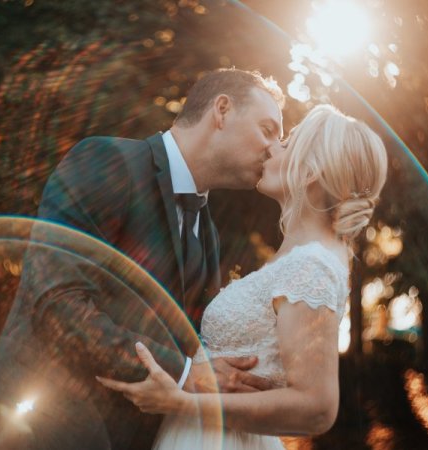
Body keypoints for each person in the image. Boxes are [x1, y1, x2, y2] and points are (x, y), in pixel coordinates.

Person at [0, 68, 285, 449]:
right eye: (268, 129)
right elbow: (56, 304)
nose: (274, 148)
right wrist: (186, 375)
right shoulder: (107, 161)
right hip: (34, 434)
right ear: (222, 110)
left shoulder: (208, 234)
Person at [98, 104, 389, 449]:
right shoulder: (299, 259)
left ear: (310, 171)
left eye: (287, 142)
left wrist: (183, 402)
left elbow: (317, 407)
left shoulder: (311, 267)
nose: (272, 147)